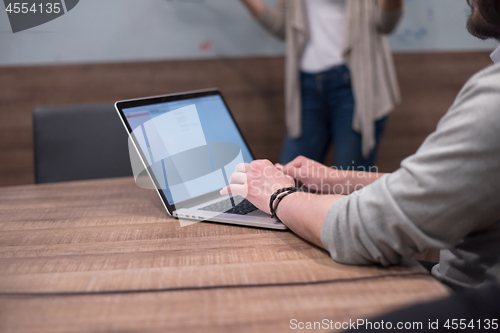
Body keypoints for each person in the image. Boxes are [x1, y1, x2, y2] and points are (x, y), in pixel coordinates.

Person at [222, 0, 500, 291]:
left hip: (468, 303)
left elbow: (366, 228)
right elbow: (438, 189)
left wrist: (278, 195)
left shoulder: (492, 99)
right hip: (308, 88)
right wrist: (339, 179)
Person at [240, 0, 403, 169]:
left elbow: (387, 23)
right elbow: (282, 25)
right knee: (289, 179)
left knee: (349, 183)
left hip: (355, 88)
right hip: (306, 89)